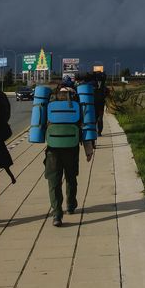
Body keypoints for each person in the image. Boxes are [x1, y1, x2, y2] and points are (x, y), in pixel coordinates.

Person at [44, 79, 95, 227]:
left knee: (54, 181)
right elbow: (85, 126)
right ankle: (71, 206)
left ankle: (56, 215)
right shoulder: (78, 101)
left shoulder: (51, 99)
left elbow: (42, 125)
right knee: (71, 177)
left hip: (53, 149)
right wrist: (88, 150)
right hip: (71, 148)